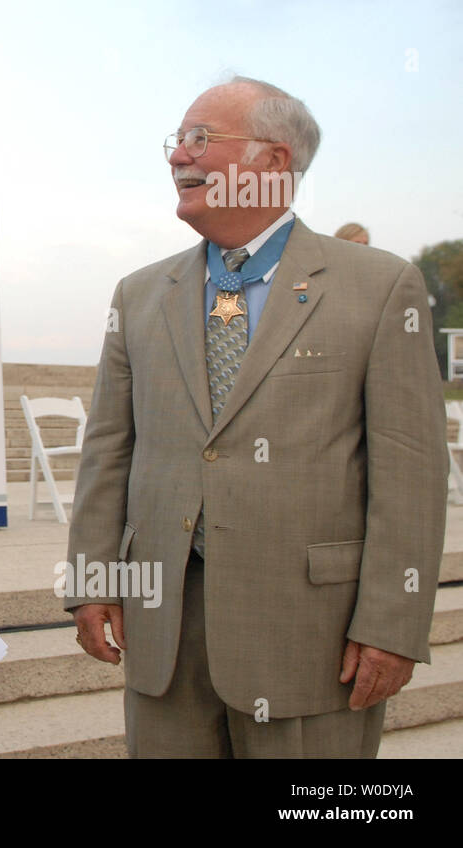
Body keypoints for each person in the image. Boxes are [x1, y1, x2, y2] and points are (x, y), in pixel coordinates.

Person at [66, 76, 447, 757]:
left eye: (201, 139)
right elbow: (108, 452)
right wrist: (94, 581)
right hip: (163, 636)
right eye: (176, 140)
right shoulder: (141, 293)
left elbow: (410, 471)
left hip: (312, 640)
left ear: (273, 162)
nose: (178, 155)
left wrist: (392, 622)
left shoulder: (382, 287)